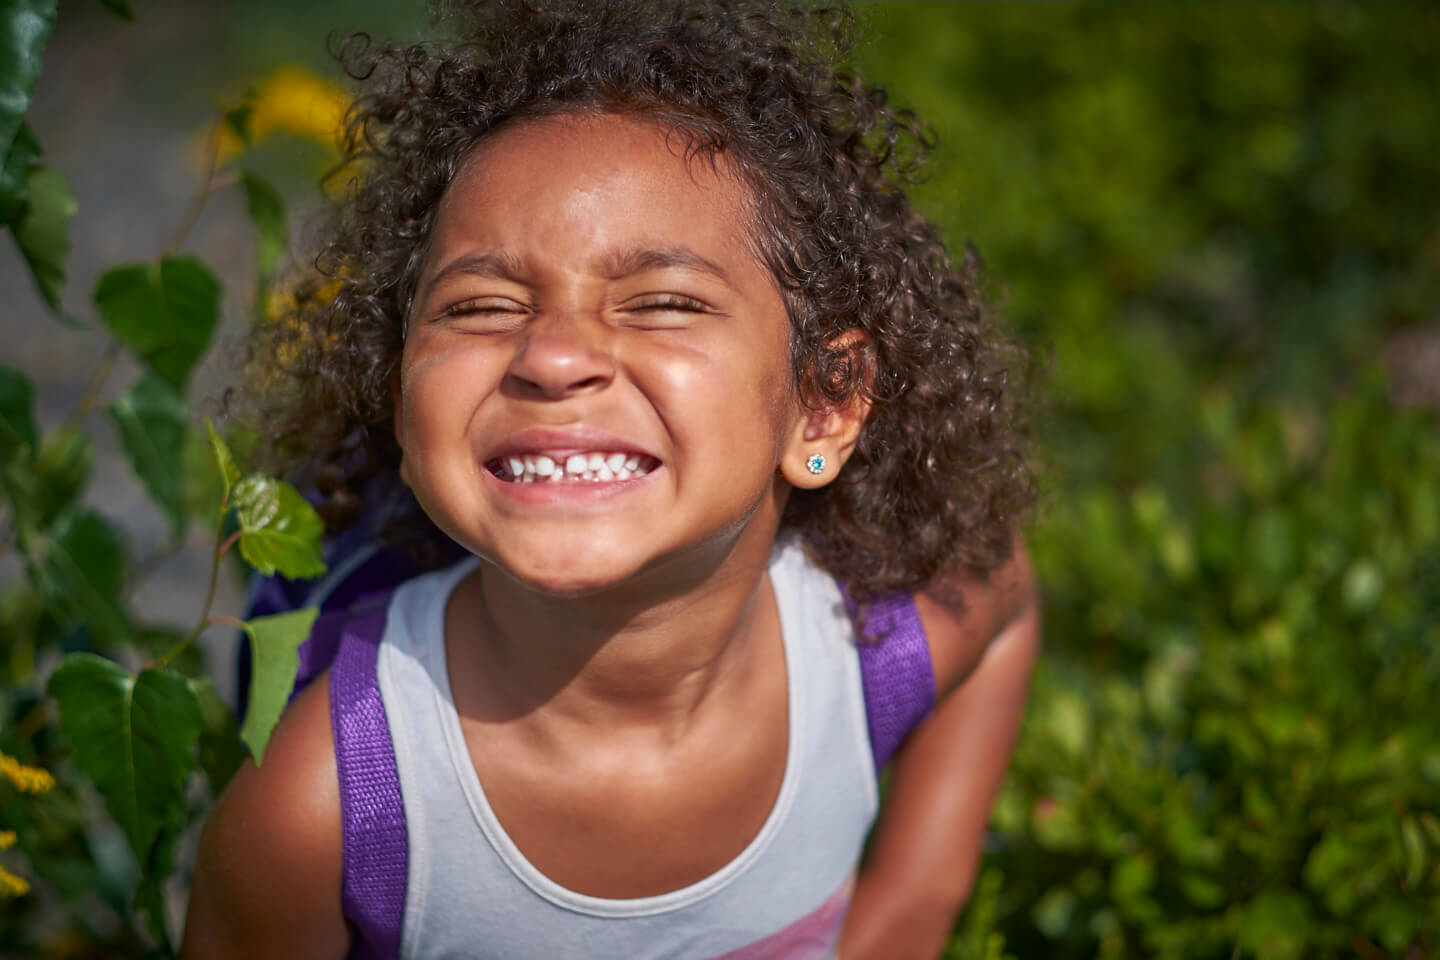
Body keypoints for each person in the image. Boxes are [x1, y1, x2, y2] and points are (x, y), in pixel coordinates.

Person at [183, 1, 1040, 958]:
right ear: (397, 392)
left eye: (663, 302)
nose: (553, 356)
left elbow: (1006, 593)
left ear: (824, 407)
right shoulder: (327, 808)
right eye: (480, 305)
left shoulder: (872, 653)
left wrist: (909, 905)